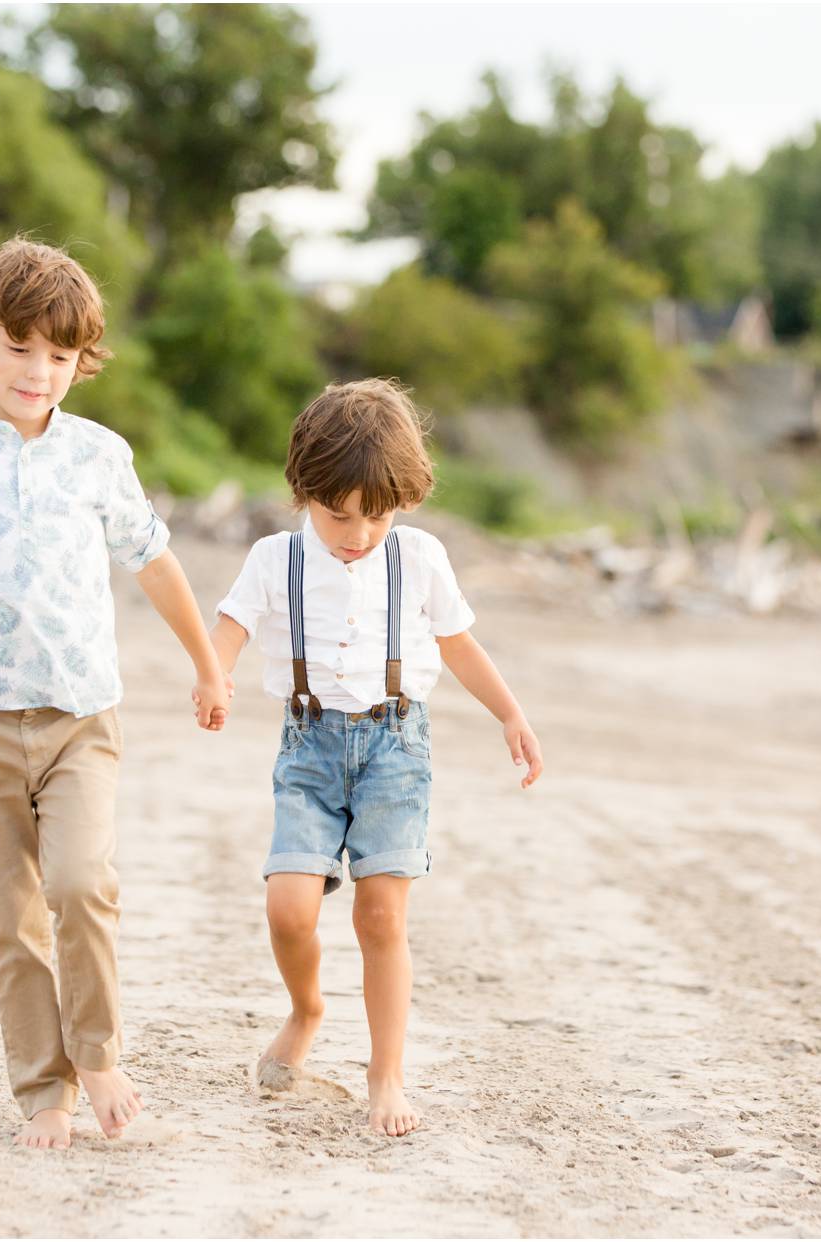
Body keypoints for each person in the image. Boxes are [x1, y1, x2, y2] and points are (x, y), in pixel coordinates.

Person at [0, 236, 230, 1149]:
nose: (38, 371)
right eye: (20, 347)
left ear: (80, 364)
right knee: (11, 923)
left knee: (79, 882)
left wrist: (207, 662)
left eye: (60, 357)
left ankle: (97, 1053)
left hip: (79, 720)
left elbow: (154, 559)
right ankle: (44, 1092)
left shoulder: (99, 457)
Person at [207, 378, 544, 1137]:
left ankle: (385, 1073)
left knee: (381, 915)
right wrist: (215, 671)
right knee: (289, 907)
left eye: (378, 516)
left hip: (396, 746)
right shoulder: (274, 557)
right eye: (339, 516)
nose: (358, 533)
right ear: (304, 492)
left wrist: (511, 713)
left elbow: (458, 644)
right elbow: (231, 623)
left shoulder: (420, 558)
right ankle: (307, 1008)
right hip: (310, 747)